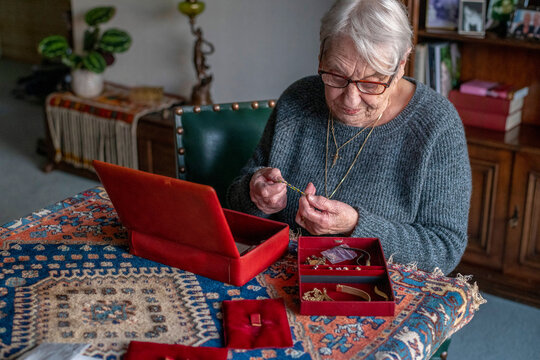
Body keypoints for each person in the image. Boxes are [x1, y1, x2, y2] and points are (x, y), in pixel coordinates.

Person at [227, 0, 471, 275]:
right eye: (337, 76)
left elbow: (444, 248)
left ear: (401, 65)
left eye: (372, 83)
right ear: (321, 56)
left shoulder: (436, 125)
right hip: (279, 278)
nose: (350, 99)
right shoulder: (297, 100)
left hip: (370, 294)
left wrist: (356, 227)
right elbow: (237, 200)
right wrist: (254, 192)